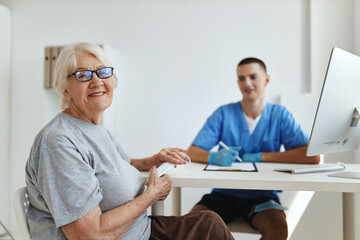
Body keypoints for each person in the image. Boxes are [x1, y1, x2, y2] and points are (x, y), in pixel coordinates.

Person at [25, 42, 234, 240]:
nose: (97, 81)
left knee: (209, 222)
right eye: (83, 75)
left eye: (103, 71)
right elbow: (88, 234)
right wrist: (150, 196)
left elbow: (117, 166)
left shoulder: (95, 128)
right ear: (65, 90)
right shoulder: (59, 141)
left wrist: (153, 159)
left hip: (138, 231)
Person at [187, 57, 320, 240]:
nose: (247, 83)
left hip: (262, 197)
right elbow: (192, 151)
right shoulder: (223, 114)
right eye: (241, 78)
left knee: (278, 228)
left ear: (266, 80)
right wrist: (213, 157)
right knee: (192, 224)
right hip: (224, 193)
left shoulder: (280, 115)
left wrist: (261, 157)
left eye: (253, 77)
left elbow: (312, 156)